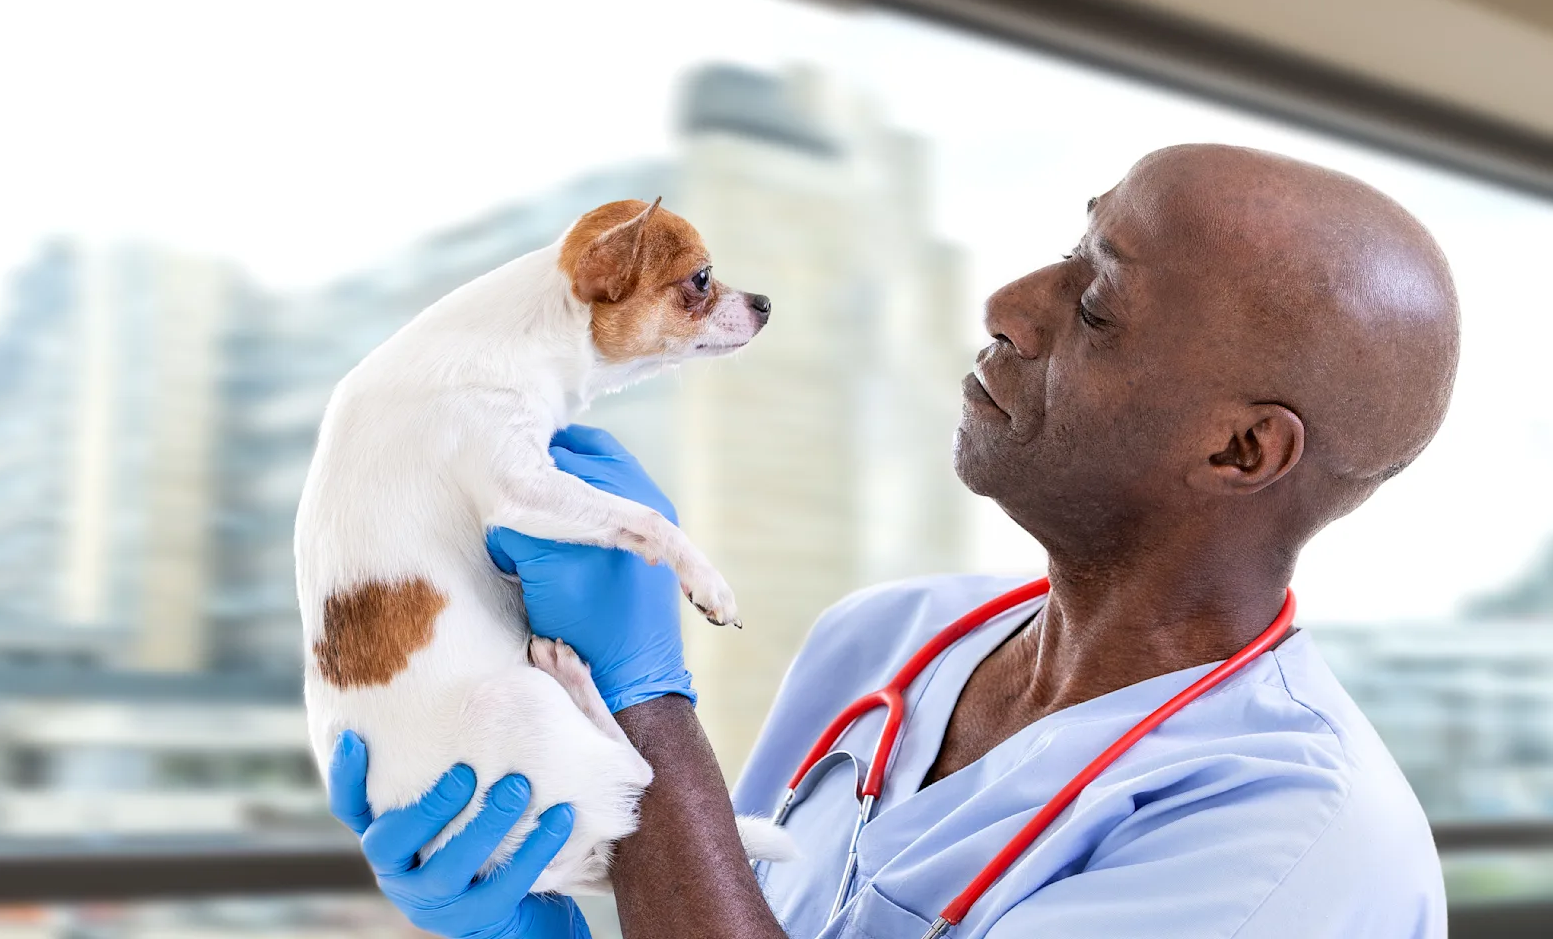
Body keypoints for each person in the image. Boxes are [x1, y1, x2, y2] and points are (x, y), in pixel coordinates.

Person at [325, 144, 1459, 938]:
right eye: (1068, 250)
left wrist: (645, 714)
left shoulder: (1295, 841)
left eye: (1097, 307)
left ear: (1240, 453)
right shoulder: (878, 640)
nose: (1011, 303)